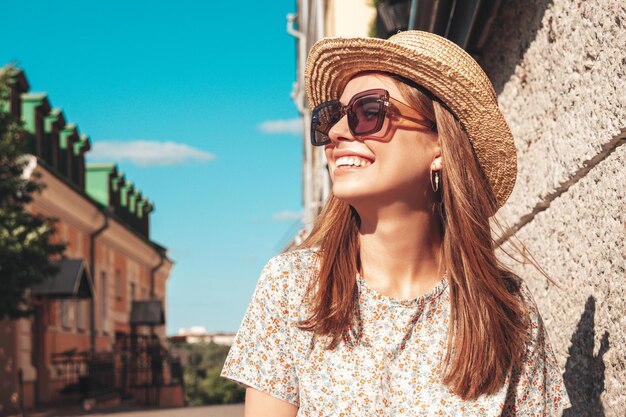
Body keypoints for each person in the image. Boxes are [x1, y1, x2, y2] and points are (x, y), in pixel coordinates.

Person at [221, 30, 570, 417]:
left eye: (369, 112)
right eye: (332, 118)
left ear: (440, 145)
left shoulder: (506, 309)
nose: (336, 133)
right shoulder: (293, 288)